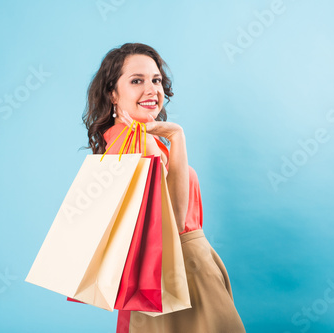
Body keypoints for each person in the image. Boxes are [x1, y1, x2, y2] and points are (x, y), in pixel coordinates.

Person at [82, 43, 246, 333]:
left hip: (161, 272)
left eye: (156, 80)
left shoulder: (123, 140)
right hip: (182, 271)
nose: (151, 90)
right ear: (113, 94)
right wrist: (178, 136)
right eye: (136, 81)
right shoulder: (141, 143)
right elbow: (176, 217)